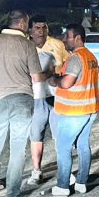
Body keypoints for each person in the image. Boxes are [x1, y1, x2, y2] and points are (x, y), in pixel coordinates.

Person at [0, 10, 44, 197]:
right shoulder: (27, 45)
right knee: (17, 149)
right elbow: (36, 77)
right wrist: (48, 73)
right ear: (23, 24)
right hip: (22, 100)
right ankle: (13, 195)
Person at [47, 23, 99, 197]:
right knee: (83, 146)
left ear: (77, 38)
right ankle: (81, 182)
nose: (64, 40)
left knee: (63, 148)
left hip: (74, 112)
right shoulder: (90, 57)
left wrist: (54, 80)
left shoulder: (75, 58)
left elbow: (67, 83)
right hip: (89, 109)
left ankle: (63, 186)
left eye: (67, 36)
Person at [24, 18, 69, 186]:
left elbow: (67, 64)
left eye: (44, 27)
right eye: (36, 27)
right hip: (34, 98)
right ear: (30, 31)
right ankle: (36, 171)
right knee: (36, 135)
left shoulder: (57, 45)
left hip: (56, 96)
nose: (40, 31)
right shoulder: (25, 47)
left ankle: (64, 169)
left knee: (59, 134)